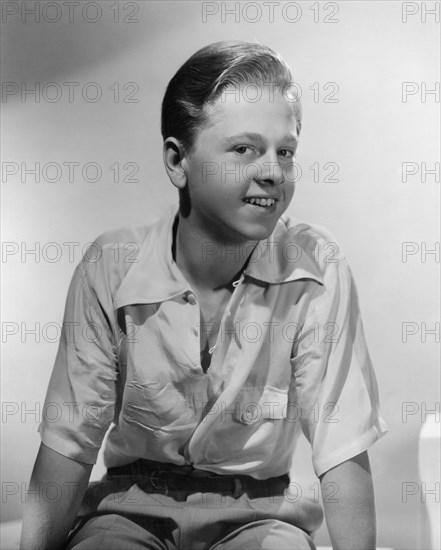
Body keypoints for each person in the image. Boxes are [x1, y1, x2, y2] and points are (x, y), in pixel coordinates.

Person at [21, 41, 387, 550]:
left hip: (260, 514)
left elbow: (341, 446)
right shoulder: (110, 267)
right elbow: (69, 445)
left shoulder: (317, 267)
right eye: (244, 149)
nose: (273, 171)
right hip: (128, 508)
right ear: (178, 161)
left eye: (285, 151)